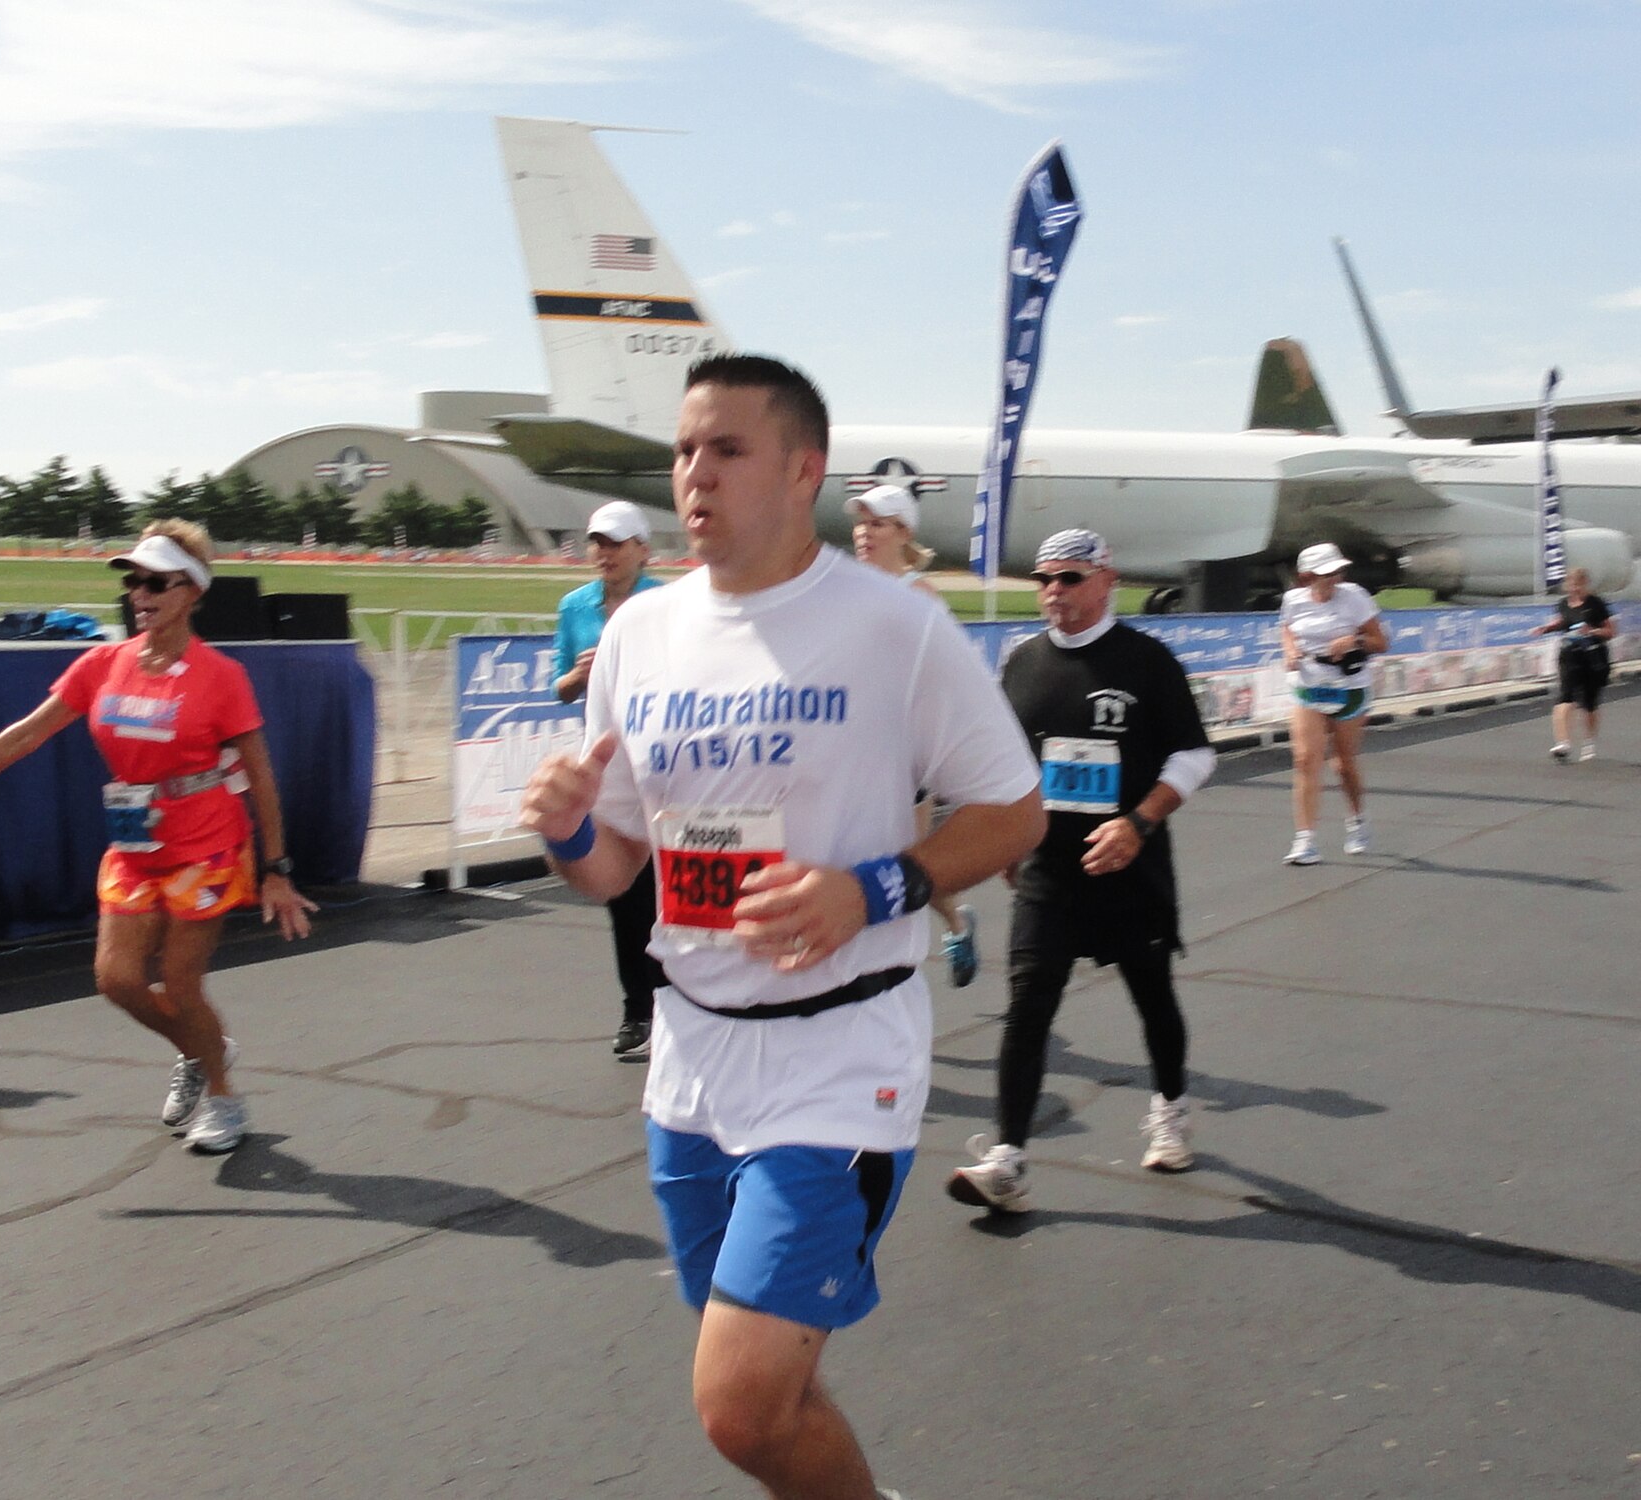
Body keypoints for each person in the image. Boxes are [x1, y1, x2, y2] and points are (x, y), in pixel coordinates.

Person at [521, 354, 1043, 1500]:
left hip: (837, 1056)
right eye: (682, 450)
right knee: (769, 1405)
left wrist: (872, 887)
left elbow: (1014, 812)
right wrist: (565, 831)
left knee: (740, 1402)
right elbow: (615, 869)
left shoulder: (891, 628)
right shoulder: (637, 637)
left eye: (725, 450)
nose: (692, 476)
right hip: (691, 1061)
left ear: (801, 471)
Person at [0, 520, 315, 1154]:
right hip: (135, 844)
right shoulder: (102, 664)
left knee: (179, 985)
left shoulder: (221, 676)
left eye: (154, 582)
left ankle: (225, 1098)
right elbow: (25, 735)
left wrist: (276, 868)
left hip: (207, 845)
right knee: (115, 980)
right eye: (132, 581)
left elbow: (261, 777)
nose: (138, 594)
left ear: (191, 591)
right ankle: (201, 1047)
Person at [946, 529, 1216, 1215]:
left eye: (1068, 578)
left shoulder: (1147, 660)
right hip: (1049, 871)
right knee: (1028, 1005)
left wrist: (1139, 823)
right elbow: (1008, 763)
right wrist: (1007, 841)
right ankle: (1007, 1158)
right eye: (1044, 580)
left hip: (1131, 868)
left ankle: (1171, 1108)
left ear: (1106, 581)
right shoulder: (1022, 662)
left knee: (1153, 998)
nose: (1053, 592)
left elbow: (1193, 757)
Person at [847, 482, 980, 989]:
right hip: (852, 747)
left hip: (904, 751)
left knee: (903, 853)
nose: (864, 533)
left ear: (903, 532)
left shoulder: (918, 596)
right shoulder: (846, 590)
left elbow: (950, 674)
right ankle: (955, 920)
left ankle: (923, 948)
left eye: (877, 524)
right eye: (861, 523)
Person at [553, 501, 670, 1058]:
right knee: (623, 897)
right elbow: (560, 689)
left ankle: (678, 1001)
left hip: (665, 763)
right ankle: (637, 1011)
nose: (603, 553)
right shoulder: (575, 607)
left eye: (615, 543)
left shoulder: (667, 603)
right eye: (597, 542)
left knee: (665, 892)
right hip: (607, 764)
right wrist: (578, 675)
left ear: (643, 550)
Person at [1278, 542, 1388, 865]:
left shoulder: (1355, 597)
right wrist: (1290, 651)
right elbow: (1286, 629)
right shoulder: (1293, 600)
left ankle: (1356, 820)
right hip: (1309, 685)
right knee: (1304, 759)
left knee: (1343, 763)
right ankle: (1305, 841)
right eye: (1327, 572)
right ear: (1307, 576)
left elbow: (1381, 642)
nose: (1335, 577)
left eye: (1338, 571)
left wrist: (1353, 640)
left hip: (1348, 687)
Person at [1531, 566, 1614, 761]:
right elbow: (1562, 622)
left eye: (1578, 584)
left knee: (1589, 705)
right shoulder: (1562, 604)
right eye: (1571, 584)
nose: (1574, 588)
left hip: (1593, 659)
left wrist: (1592, 631)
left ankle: (1589, 741)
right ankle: (1563, 743)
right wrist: (1546, 628)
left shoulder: (1596, 604)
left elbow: (1610, 632)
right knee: (1564, 698)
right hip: (1570, 657)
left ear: (1585, 584)